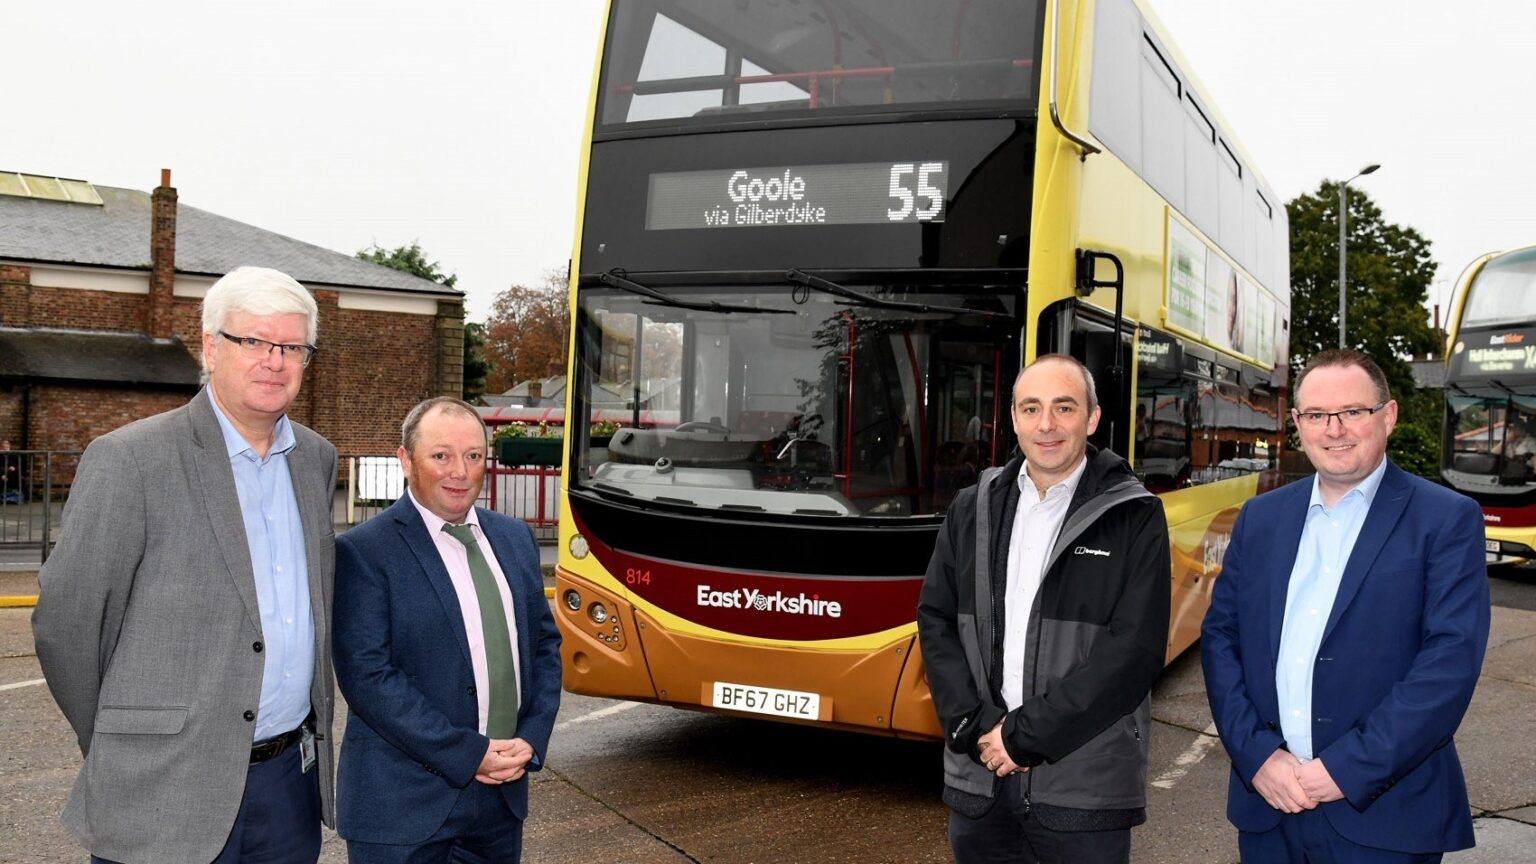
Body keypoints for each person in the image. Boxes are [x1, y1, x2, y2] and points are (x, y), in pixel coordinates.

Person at [33, 266, 337, 863]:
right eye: (254, 341)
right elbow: (67, 625)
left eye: (292, 346)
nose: (274, 361)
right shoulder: (131, 460)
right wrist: (125, 742)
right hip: (163, 788)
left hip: (286, 788)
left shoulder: (315, 461)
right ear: (209, 346)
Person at [1202, 349, 1490, 863]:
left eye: (1352, 412)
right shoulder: (1259, 519)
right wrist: (1257, 756)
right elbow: (1222, 639)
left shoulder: (1446, 519)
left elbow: (1448, 665)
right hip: (1269, 806)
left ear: (1389, 415)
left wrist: (1345, 770)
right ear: (1297, 424)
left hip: (1382, 816)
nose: (1334, 429)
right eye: (1316, 415)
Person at [917, 354, 1171, 864]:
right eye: (1031, 409)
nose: (1047, 425)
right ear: (1013, 419)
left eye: (1064, 407)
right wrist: (971, 726)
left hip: (1084, 786)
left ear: (1092, 418)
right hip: (980, 779)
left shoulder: (1134, 514)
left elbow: (1134, 652)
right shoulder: (970, 507)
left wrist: (1022, 738)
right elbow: (937, 619)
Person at [333, 397, 561, 863]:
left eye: (473, 456)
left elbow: (543, 647)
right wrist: (468, 753)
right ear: (405, 460)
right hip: (403, 811)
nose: (460, 471)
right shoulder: (363, 552)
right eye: (441, 456)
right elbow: (369, 678)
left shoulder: (514, 538)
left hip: (499, 806)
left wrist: (532, 738)